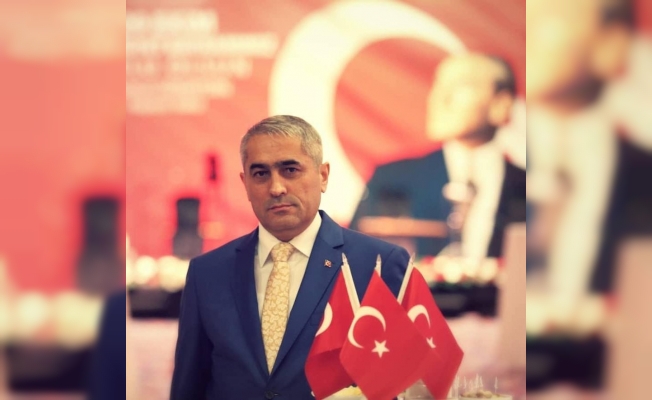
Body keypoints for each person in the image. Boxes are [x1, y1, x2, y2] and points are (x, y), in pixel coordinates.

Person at [170, 115, 409, 399]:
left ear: (323, 175)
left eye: (290, 170)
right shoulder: (207, 272)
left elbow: (406, 381)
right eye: (261, 174)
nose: (276, 188)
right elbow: (189, 385)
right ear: (245, 183)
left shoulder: (378, 264)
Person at [349, 53, 526, 259]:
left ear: (501, 104)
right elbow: (354, 261)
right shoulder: (391, 181)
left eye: (461, 85)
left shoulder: (531, 189)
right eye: (438, 85)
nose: (441, 98)